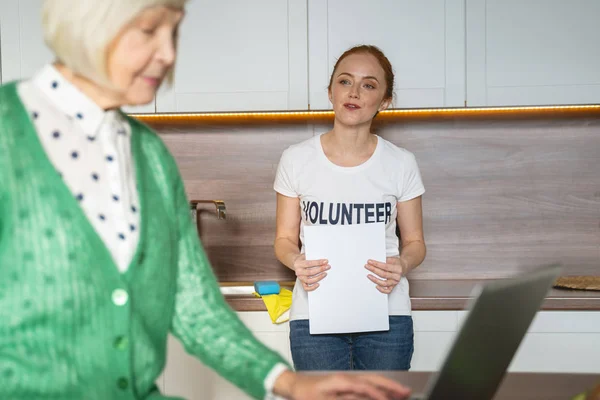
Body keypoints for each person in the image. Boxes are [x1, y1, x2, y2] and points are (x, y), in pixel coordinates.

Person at [0, 1, 412, 399]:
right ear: (89, 25)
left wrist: (290, 384)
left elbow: (194, 305)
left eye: (174, 33)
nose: (168, 54)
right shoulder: (8, 131)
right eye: (150, 31)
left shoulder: (150, 157)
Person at [274, 45, 427, 371]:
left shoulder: (401, 163)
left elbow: (416, 243)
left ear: (385, 101)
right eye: (345, 81)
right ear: (330, 91)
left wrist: (402, 263)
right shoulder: (296, 159)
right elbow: (284, 239)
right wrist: (295, 261)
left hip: (387, 316)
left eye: (369, 85)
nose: (354, 92)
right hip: (314, 317)